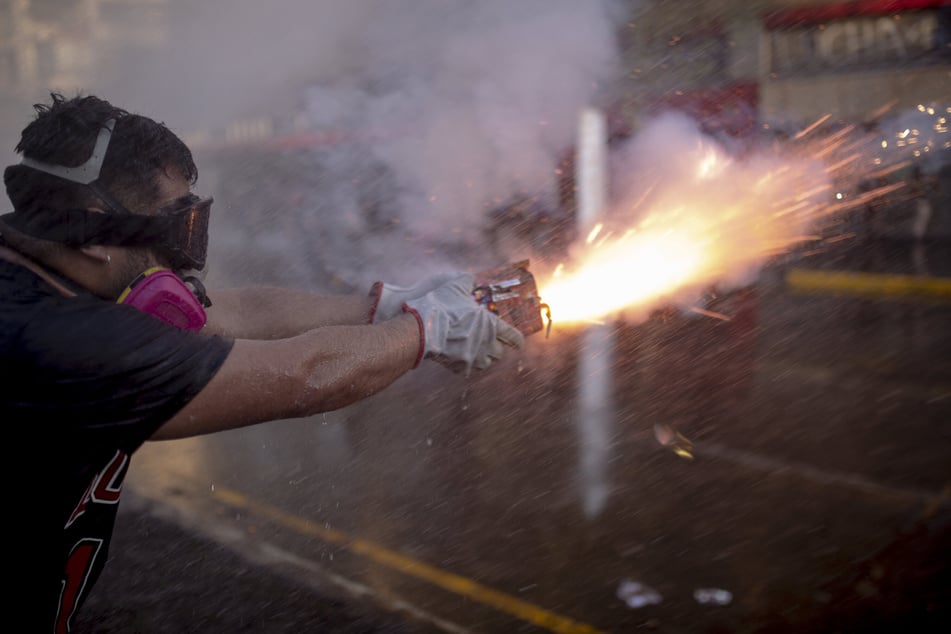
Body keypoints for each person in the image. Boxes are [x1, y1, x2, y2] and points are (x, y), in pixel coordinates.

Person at [0, 92, 524, 632]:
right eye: (170, 232)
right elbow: (305, 376)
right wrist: (426, 329)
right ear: (91, 232)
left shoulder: (50, 278)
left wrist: (384, 305)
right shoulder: (56, 339)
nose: (180, 266)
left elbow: (244, 309)